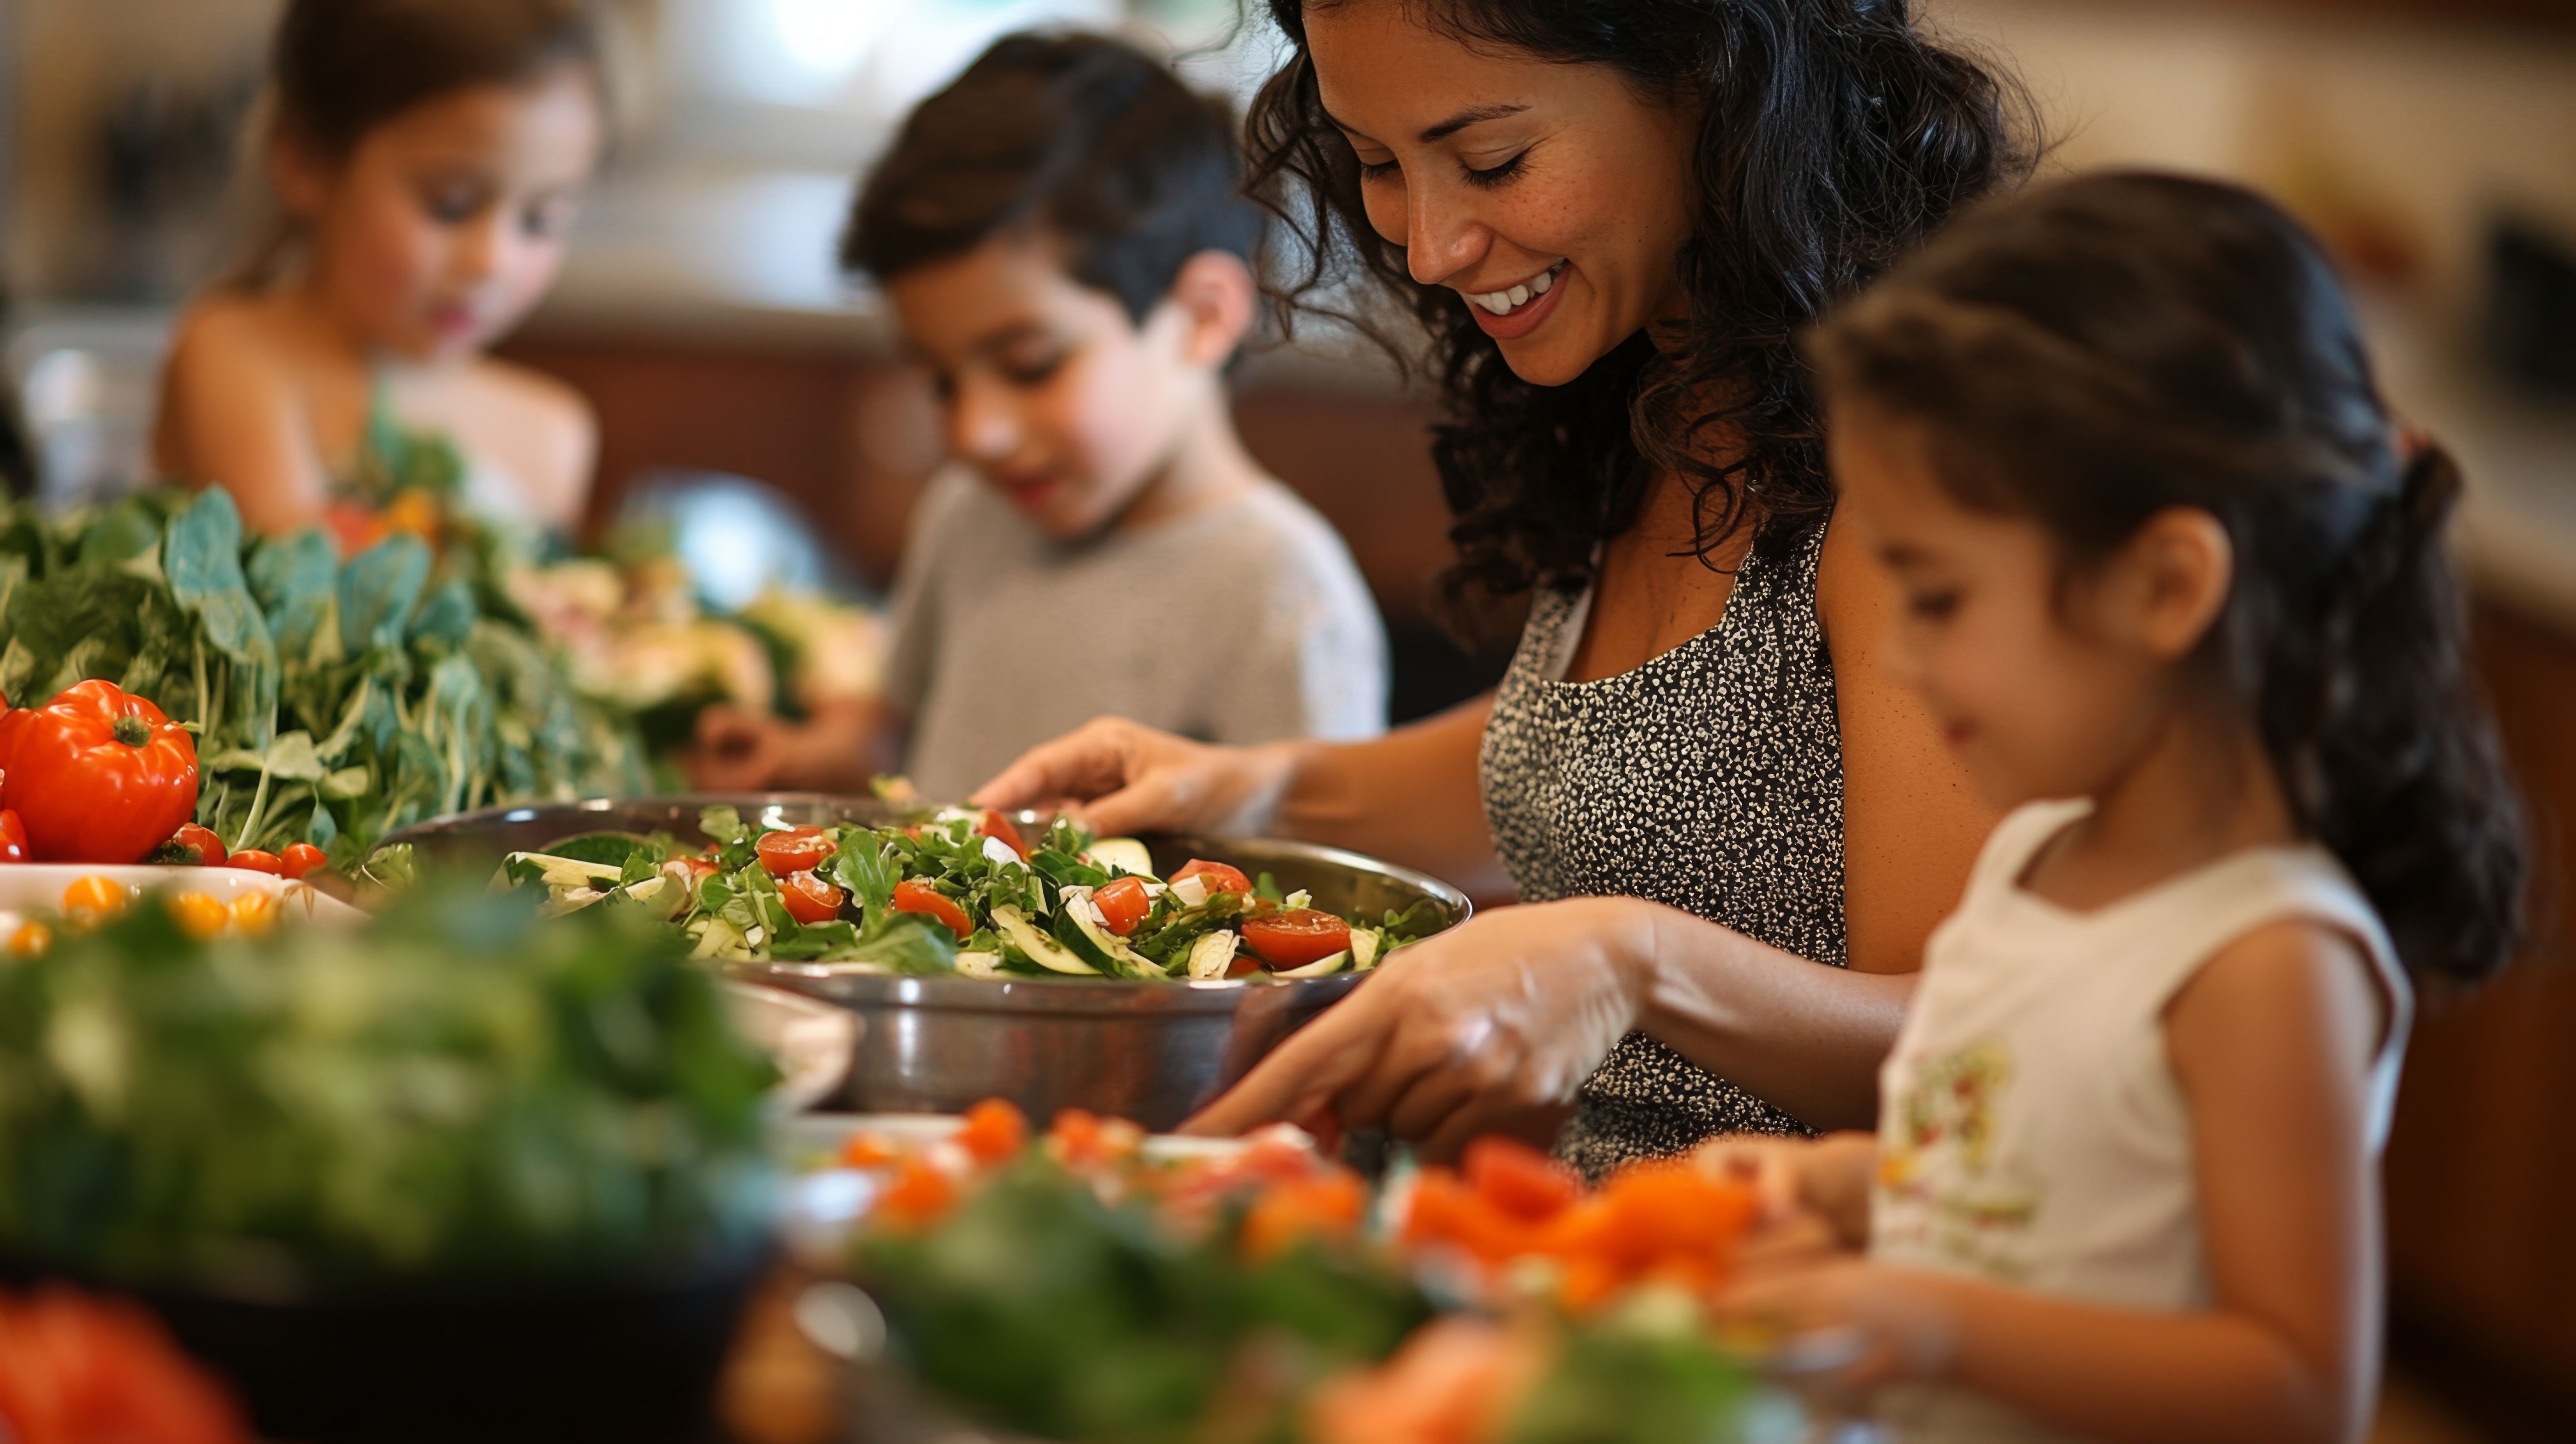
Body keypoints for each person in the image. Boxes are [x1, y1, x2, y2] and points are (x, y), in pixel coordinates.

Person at [977, 0, 2026, 1172]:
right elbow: (1626, 753)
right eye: (1376, 162)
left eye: (1492, 161)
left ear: (1713, 85)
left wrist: (1632, 962)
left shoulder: (1918, 461)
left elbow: (1979, 1055)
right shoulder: (1654, 377)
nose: (1429, 248)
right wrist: (1251, 787)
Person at [1688, 173, 2528, 1444]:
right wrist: (1846, 1190)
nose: (1901, 658)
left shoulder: (2264, 962)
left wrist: (1932, 1321)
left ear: (2166, 585)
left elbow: (2299, 1387)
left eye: (1942, 597)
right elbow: (2024, 1199)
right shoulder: (2033, 857)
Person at [687, 32, 1388, 806]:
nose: (972, 434)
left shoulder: (1281, 592)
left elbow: (1319, 878)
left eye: (1031, 366)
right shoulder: (967, 516)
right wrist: (803, 760)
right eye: (941, 381)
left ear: (1201, 315)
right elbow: (897, 745)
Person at [153, 0, 607, 544]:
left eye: (541, 221)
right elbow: (297, 599)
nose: (493, 261)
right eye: (451, 205)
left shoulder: (553, 434)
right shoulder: (234, 356)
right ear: (306, 163)